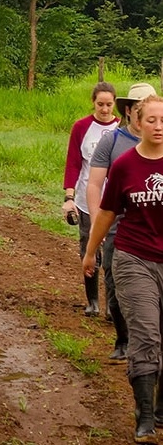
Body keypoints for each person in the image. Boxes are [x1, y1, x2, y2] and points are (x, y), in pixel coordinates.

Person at [82, 95, 163, 443]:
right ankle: (144, 416)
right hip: (134, 258)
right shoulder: (125, 165)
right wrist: (90, 253)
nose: (159, 127)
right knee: (146, 335)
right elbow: (107, 212)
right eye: (152, 120)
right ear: (137, 122)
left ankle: (160, 411)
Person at [86, 83, 156, 362]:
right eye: (139, 108)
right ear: (129, 111)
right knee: (114, 287)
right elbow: (94, 184)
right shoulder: (112, 142)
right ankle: (123, 338)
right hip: (118, 228)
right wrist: (95, 225)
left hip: (154, 229)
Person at [63, 82, 119, 317]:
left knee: (114, 252)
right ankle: (93, 300)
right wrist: (69, 196)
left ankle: (112, 307)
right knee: (90, 247)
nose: (105, 109)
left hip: (116, 201)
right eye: (100, 104)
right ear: (93, 103)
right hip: (88, 199)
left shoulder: (122, 128)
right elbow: (74, 162)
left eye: (109, 104)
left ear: (115, 104)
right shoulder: (81, 127)